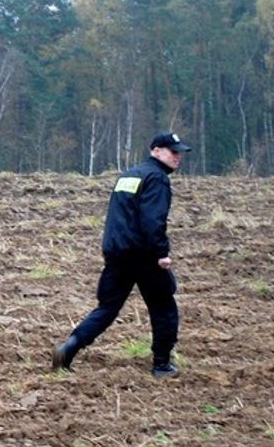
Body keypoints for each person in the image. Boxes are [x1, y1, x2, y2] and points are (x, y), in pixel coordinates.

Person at [51, 131, 191, 378]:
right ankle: (162, 365)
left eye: (179, 152)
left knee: (107, 308)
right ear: (156, 151)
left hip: (117, 253)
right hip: (144, 255)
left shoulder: (129, 175)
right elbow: (152, 220)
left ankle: (69, 349)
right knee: (164, 306)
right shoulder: (157, 178)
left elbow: (118, 216)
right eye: (172, 151)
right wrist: (161, 253)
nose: (177, 156)